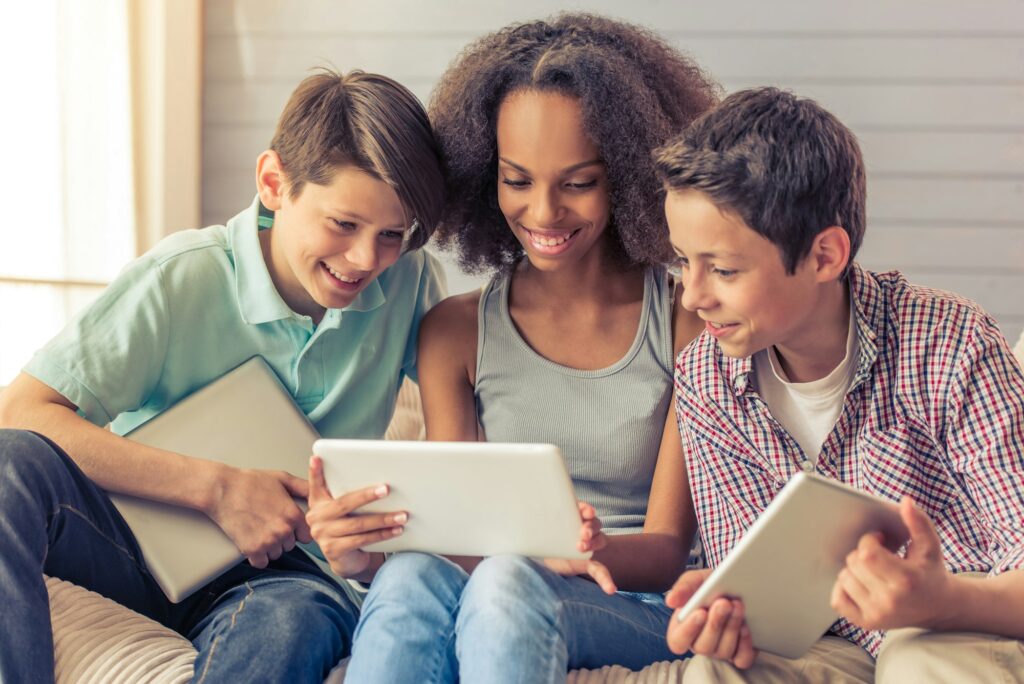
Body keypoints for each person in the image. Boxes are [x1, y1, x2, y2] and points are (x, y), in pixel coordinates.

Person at [0, 68, 446, 683]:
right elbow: (21, 413)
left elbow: (463, 425)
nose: (366, 259)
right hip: (136, 539)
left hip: (287, 577)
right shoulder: (182, 276)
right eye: (343, 225)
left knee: (293, 620)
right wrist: (216, 488)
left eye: (392, 235)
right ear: (274, 184)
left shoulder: (411, 282)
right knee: (7, 462)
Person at [316, 13, 719, 683]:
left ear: (628, 173)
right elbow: (455, 532)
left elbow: (670, 549)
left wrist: (570, 554)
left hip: (632, 597)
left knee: (505, 582)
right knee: (414, 576)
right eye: (517, 179)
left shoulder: (687, 324)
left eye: (579, 182)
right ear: (484, 174)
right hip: (495, 575)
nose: (543, 212)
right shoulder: (455, 332)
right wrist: (363, 547)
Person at [654, 87, 1024, 682]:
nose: (693, 297)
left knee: (916, 656)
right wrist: (727, 610)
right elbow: (771, 607)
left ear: (825, 255)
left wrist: (941, 601)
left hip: (966, 616)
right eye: (681, 261)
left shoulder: (950, 340)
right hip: (829, 641)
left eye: (722, 269)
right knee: (715, 672)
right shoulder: (706, 379)